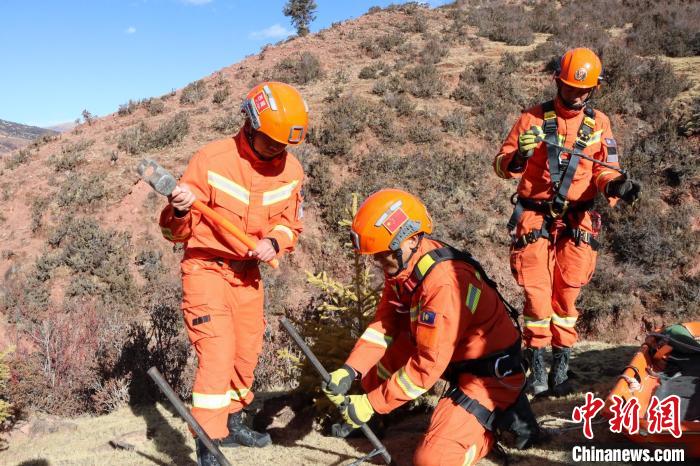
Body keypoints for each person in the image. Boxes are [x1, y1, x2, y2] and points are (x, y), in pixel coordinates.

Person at [322, 189, 541, 466]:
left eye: (383, 255)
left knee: (433, 460)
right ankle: (378, 415)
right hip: (452, 357)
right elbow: (385, 322)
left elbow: (428, 366)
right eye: (375, 256)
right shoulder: (403, 266)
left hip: (487, 375)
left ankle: (491, 429)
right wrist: (351, 369)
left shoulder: (443, 284)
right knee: (390, 349)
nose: (378, 262)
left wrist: (373, 402)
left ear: (411, 240)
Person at [159, 81, 308, 465]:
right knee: (217, 355)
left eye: (283, 145)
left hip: (248, 275)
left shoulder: (292, 170)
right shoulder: (211, 160)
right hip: (206, 269)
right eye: (271, 142)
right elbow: (174, 232)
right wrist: (178, 210)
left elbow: (292, 225)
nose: (278, 150)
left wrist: (274, 242)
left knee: (245, 354)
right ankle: (209, 447)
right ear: (250, 125)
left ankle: (234, 420)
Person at [493, 48, 641, 397]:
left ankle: (561, 369)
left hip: (578, 219)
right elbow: (501, 165)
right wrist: (521, 155)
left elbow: (604, 167)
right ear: (558, 81)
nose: (575, 95)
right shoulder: (530, 119)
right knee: (537, 296)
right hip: (535, 218)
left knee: (568, 296)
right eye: (569, 88)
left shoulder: (599, 123)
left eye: (583, 90)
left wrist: (616, 184)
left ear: (593, 89)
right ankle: (538, 368)